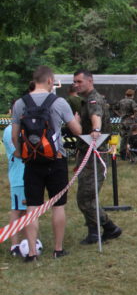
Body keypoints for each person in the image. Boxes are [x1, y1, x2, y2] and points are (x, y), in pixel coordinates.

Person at [11, 66, 82, 261]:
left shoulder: (20, 103)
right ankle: (58, 249)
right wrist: (76, 119)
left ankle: (31, 253)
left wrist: (21, 153)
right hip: (55, 160)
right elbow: (76, 131)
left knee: (32, 207)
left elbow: (15, 136)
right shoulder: (59, 102)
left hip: (31, 162)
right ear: (50, 80)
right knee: (58, 205)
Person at [73, 69, 123, 245]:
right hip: (87, 153)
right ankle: (93, 232)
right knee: (88, 195)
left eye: (79, 81)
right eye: (74, 82)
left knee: (85, 198)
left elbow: (97, 117)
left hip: (93, 155)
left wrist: (95, 130)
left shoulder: (93, 99)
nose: (76, 85)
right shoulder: (86, 100)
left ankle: (110, 227)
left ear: (90, 81)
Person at [4, 100, 27, 257]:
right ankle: (15, 245)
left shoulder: (25, 128)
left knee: (27, 212)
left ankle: (27, 242)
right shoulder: (9, 130)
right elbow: (17, 152)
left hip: (29, 177)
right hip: (19, 178)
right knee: (17, 210)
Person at [115, 89, 137, 160]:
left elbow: (115, 108)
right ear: (132, 95)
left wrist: (120, 114)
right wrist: (134, 116)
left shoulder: (121, 101)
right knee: (131, 138)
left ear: (126, 95)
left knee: (123, 138)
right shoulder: (132, 102)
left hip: (123, 121)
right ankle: (130, 154)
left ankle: (122, 154)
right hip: (130, 122)